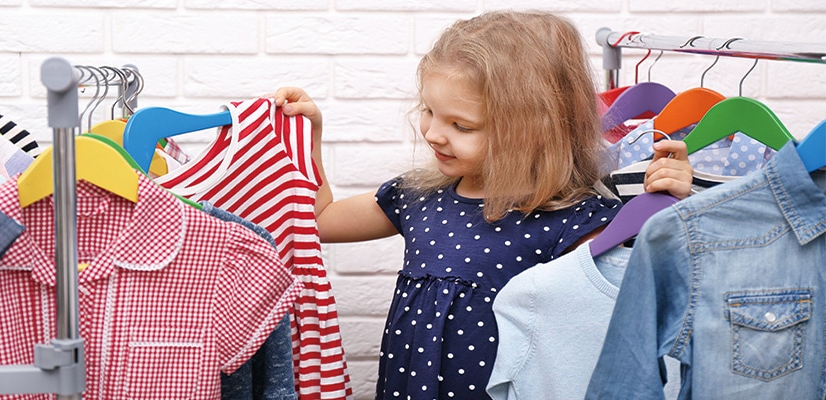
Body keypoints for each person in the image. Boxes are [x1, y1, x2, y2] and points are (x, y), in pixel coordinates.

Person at [273, 10, 693, 400]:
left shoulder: (573, 221)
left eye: (461, 125)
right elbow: (318, 221)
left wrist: (671, 205)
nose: (434, 134)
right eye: (429, 111)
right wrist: (312, 135)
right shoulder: (417, 197)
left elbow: (645, 295)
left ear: (533, 131)